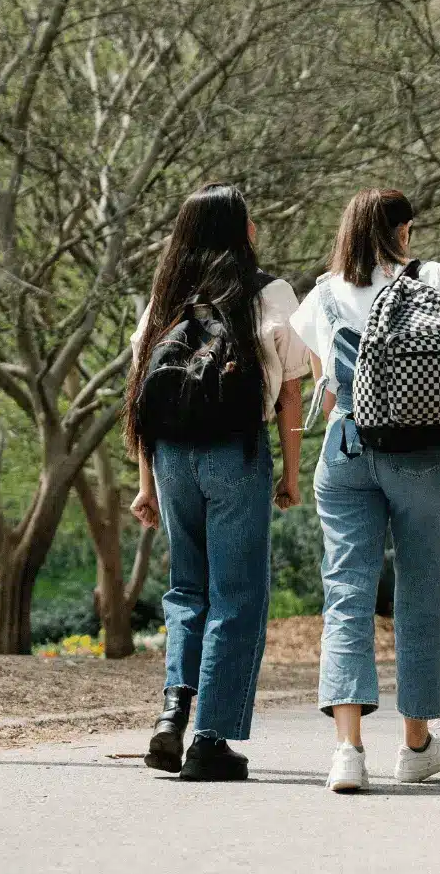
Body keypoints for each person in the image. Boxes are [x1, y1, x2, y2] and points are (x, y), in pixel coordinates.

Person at [290, 187, 440, 795]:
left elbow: (325, 384)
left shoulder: (322, 295)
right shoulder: (436, 281)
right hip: (423, 456)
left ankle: (347, 752)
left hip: (347, 448)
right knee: (423, 592)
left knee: (346, 594)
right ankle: (416, 744)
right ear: (404, 231)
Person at [126, 183, 309, 782]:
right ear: (240, 231)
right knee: (237, 594)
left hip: (171, 458)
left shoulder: (166, 295)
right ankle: (210, 738)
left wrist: (146, 483)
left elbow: (142, 396)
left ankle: (171, 714)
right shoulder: (269, 292)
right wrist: (290, 473)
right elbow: (290, 392)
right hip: (236, 451)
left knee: (187, 588)